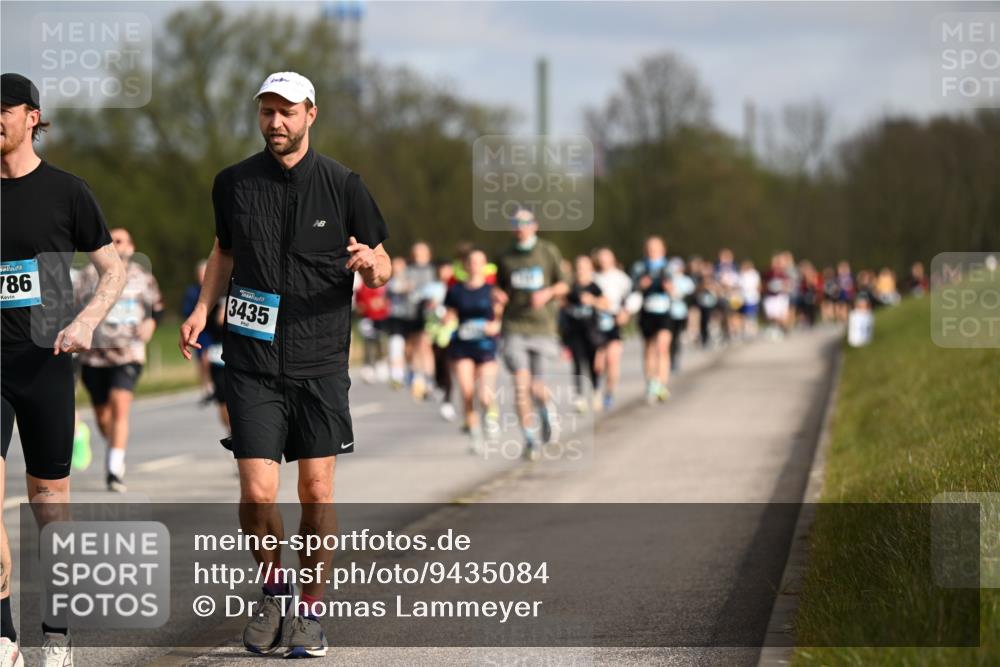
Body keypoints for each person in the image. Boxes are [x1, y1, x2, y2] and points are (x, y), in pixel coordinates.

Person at [179, 71, 390, 659]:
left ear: (311, 115)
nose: (276, 122)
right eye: (267, 112)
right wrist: (202, 309)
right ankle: (275, 589)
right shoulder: (232, 183)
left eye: (287, 112)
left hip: (320, 358)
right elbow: (223, 250)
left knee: (317, 491)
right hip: (250, 358)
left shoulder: (345, 184)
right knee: (256, 492)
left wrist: (371, 266)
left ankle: (311, 614)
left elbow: (383, 263)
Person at [1, 72, 126, 667]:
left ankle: (57, 631)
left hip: (46, 363)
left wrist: (86, 322)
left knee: (49, 501)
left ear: (33, 117)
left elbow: (114, 271)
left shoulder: (67, 192)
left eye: (6, 109)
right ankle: (4, 635)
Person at [76, 228, 164, 493]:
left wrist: (150, 323)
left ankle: (114, 469)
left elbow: (157, 308)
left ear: (131, 245)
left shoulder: (142, 277)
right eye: (111, 240)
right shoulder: (88, 276)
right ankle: (114, 446)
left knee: (120, 403)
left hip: (129, 352)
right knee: (103, 416)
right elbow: (70, 307)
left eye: (121, 240)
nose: (117, 244)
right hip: (94, 356)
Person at [494, 208, 569, 461]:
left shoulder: (547, 252)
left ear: (534, 226)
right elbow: (498, 286)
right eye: (515, 222)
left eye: (525, 222)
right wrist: (498, 294)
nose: (520, 227)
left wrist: (547, 294)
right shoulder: (505, 255)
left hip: (543, 327)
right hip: (515, 326)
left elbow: (564, 284)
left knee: (537, 387)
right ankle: (529, 438)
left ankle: (548, 412)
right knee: (520, 386)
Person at [444, 248, 502, 452]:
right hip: (462, 345)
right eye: (471, 261)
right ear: (466, 266)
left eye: (479, 261)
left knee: (485, 394)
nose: (475, 265)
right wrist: (444, 320)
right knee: (467, 392)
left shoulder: (492, 290)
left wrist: (495, 326)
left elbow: (500, 317)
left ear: (485, 266)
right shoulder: (456, 290)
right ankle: (475, 435)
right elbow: (450, 314)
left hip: (486, 345)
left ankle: (491, 416)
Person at [630, 236, 675, 404]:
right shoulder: (639, 267)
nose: (652, 251)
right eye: (649, 248)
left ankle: (662, 383)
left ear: (663, 250)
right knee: (649, 348)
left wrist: (669, 288)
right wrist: (641, 285)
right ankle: (651, 381)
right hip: (646, 310)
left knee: (662, 347)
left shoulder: (668, 267)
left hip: (664, 310)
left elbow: (674, 290)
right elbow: (632, 287)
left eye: (656, 248)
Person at [563, 255, 607, 413]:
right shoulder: (571, 286)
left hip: (592, 332)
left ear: (590, 269)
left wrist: (592, 301)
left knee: (593, 364)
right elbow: (563, 305)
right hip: (575, 332)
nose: (581, 270)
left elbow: (605, 304)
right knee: (577, 364)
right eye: (579, 267)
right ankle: (579, 397)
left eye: (584, 267)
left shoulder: (595, 287)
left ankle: (595, 391)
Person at [591, 247, 631, 411]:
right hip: (596, 322)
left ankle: (610, 392)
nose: (603, 261)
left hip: (614, 321)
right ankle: (597, 389)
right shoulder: (593, 277)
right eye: (601, 258)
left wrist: (626, 312)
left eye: (607, 258)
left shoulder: (621, 278)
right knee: (598, 364)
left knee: (613, 359)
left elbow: (632, 296)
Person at [182, 260, 214, 401]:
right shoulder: (192, 291)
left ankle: (212, 386)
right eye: (200, 274)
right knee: (201, 361)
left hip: (213, 330)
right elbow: (186, 310)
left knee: (209, 358)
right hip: (200, 332)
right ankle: (205, 388)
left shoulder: (215, 289)